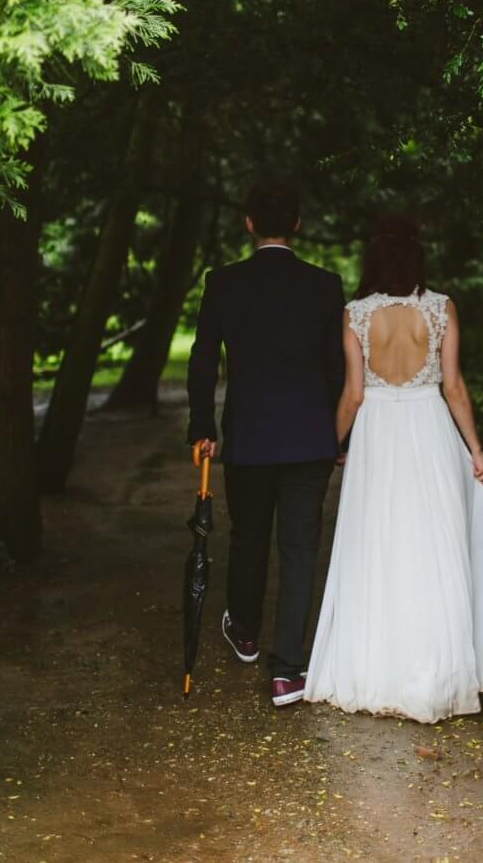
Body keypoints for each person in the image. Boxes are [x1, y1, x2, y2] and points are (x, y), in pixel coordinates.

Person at [303, 215, 483, 722]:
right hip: (429, 429)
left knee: (376, 544)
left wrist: (328, 445)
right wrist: (476, 449)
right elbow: (454, 388)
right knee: (434, 544)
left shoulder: (355, 314)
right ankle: (437, 672)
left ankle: (375, 670)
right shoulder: (442, 308)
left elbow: (354, 394)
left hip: (378, 436)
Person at [186, 180, 345, 707]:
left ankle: (246, 631)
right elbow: (336, 368)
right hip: (309, 438)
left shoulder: (224, 283)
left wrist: (202, 425)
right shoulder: (325, 285)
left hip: (250, 437)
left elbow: (203, 358)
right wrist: (339, 434)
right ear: (296, 224)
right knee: (299, 550)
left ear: (249, 224)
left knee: (249, 534)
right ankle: (287, 671)